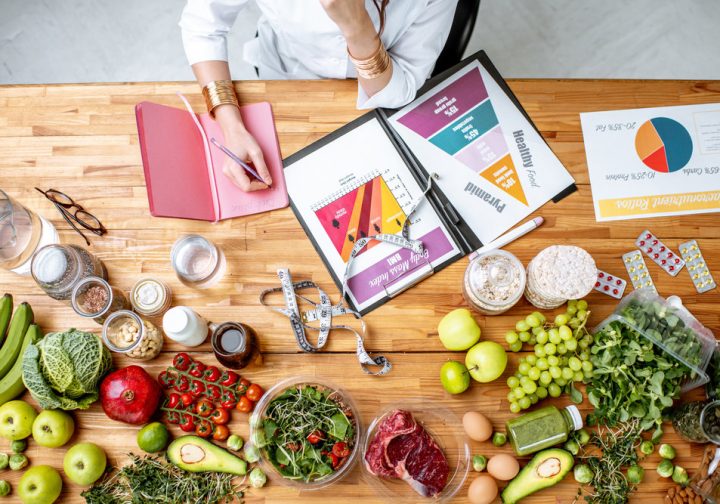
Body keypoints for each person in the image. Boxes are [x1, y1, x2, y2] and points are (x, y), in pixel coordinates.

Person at [180, 0, 459, 191]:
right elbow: (203, 25)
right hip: (286, 72)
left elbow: (402, 87)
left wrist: (357, 27)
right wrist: (232, 126)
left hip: (379, 86)